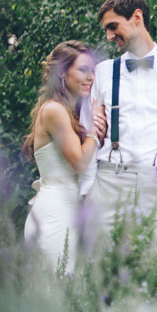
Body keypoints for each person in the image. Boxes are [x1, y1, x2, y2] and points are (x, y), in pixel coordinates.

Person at [80, 0, 157, 243]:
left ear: (137, 18)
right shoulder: (102, 73)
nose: (108, 36)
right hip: (107, 186)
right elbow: (87, 133)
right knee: (101, 273)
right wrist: (88, 190)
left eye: (113, 27)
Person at [23, 40, 107, 271]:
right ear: (62, 74)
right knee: (58, 286)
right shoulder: (54, 111)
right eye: (83, 70)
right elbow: (79, 162)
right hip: (54, 214)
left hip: (68, 210)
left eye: (93, 70)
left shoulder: (69, 112)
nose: (91, 77)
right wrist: (95, 133)